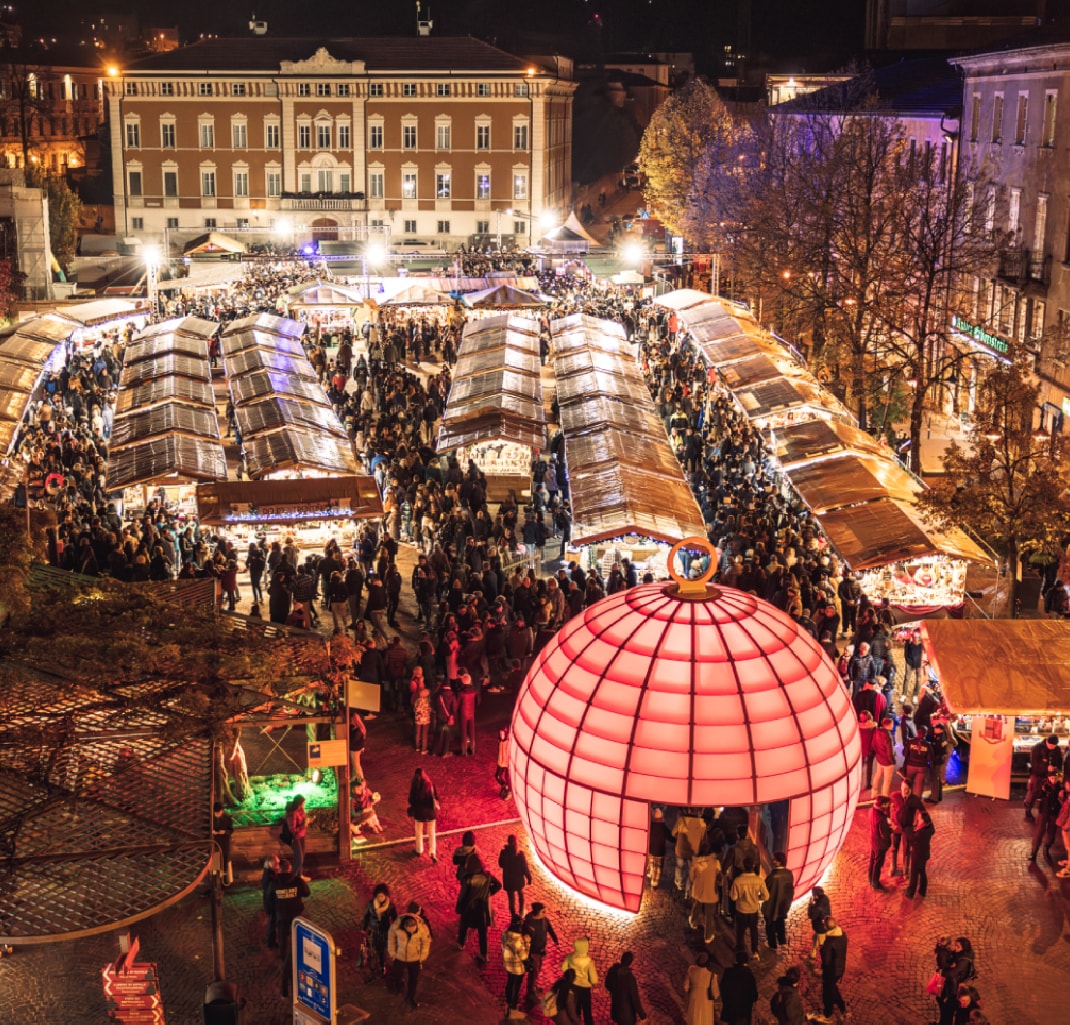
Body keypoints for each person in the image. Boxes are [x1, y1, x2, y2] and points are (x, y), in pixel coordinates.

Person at [268, 858, 310, 997]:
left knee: (283, 940)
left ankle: (283, 956)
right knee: (299, 938)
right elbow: (306, 892)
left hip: (282, 916)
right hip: (296, 915)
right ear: (290, 869)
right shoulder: (297, 881)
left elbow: (269, 897)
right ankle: (299, 957)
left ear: (279, 870)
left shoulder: (274, 883)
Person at [388, 901, 432, 1010]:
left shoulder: (422, 928)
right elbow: (391, 938)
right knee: (396, 975)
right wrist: (393, 953)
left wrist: (422, 957)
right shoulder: (397, 926)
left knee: (413, 980)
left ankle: (410, 998)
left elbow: (426, 943)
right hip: (400, 957)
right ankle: (399, 985)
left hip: (414, 959)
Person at [457, 854, 500, 963]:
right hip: (483, 908)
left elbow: (463, 894)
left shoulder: (468, 879)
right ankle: (484, 954)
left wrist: (459, 906)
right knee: (483, 932)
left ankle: (461, 943)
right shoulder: (487, 876)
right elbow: (498, 885)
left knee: (464, 925)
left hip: (470, 907)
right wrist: (488, 893)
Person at [729, 858, 769, 959]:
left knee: (740, 932)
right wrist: (758, 898)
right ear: (753, 867)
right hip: (753, 910)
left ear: (743, 866)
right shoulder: (759, 880)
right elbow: (766, 896)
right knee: (753, 931)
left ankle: (740, 949)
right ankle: (755, 951)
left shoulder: (738, 881)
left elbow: (734, 897)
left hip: (741, 910)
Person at [522, 902, 559, 1003]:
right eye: (543, 911)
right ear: (537, 912)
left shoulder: (544, 920)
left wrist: (555, 938)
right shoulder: (530, 924)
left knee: (537, 970)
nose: (545, 913)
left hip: (541, 951)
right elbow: (525, 938)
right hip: (533, 952)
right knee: (533, 972)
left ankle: (533, 988)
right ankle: (530, 993)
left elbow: (549, 929)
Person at [361, 882, 397, 982]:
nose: (380, 898)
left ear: (386, 896)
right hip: (373, 932)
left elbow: (395, 919)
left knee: (382, 952)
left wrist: (395, 931)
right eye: (378, 896)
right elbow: (366, 917)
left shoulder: (390, 906)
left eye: (382, 896)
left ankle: (382, 967)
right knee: (372, 953)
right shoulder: (371, 904)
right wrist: (363, 929)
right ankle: (372, 972)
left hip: (384, 932)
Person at [814, 916, 847, 1023]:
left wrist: (822, 950)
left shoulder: (829, 942)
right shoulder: (842, 934)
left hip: (831, 971)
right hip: (840, 968)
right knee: (832, 987)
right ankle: (843, 1009)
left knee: (827, 992)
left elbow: (826, 961)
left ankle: (828, 1014)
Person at [1025, 734, 1064, 820]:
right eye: (1050, 745)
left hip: (1051, 775)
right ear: (1047, 742)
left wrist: (1055, 768)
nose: (1052, 747)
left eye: (1054, 745)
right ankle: (1028, 810)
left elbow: (1059, 762)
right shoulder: (1037, 748)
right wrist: (1046, 767)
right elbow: (1035, 763)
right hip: (1038, 774)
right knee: (1033, 792)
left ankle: (1047, 811)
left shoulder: (1056, 750)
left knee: (1051, 793)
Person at [561, 937, 599, 1025]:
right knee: (587, 1011)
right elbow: (594, 980)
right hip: (585, 989)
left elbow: (563, 968)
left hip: (573, 986)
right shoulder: (588, 961)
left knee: (576, 1010)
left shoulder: (569, 957)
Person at [688, 846, 721, 945]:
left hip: (698, 890)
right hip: (711, 892)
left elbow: (691, 877)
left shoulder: (695, 863)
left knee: (696, 906)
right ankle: (708, 935)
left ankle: (693, 922)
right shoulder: (716, 863)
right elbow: (719, 875)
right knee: (709, 915)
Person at [938, 938, 976, 1025]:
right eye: (955, 945)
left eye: (957, 946)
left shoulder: (964, 961)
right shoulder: (961, 953)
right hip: (952, 983)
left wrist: (944, 971)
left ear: (964, 948)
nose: (954, 948)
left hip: (954, 987)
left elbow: (951, 974)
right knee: (942, 1002)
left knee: (949, 1008)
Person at [605, 950, 647, 1025]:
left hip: (616, 1010)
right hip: (627, 1015)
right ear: (630, 962)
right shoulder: (630, 978)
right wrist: (642, 1015)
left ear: (622, 959)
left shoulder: (613, 972)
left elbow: (607, 984)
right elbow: (635, 999)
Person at [1029, 769, 1063, 862]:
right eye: (1051, 777)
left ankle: (1046, 848)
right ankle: (1034, 852)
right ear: (1048, 777)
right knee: (1039, 832)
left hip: (1053, 811)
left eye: (1055, 778)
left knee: (1051, 833)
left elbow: (1061, 799)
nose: (1053, 779)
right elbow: (1036, 794)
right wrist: (1042, 792)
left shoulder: (1059, 787)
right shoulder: (1043, 785)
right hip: (1044, 811)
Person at [763, 851, 794, 950]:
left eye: (775, 860)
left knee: (770, 925)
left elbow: (765, 888)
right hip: (783, 904)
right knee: (780, 922)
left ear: (779, 862)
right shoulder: (789, 874)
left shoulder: (773, 876)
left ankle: (772, 944)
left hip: (772, 904)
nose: (773, 861)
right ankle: (782, 941)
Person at [719, 949, 759, 1025]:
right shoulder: (749, 975)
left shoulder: (728, 972)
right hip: (743, 1013)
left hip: (730, 1009)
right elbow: (754, 995)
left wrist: (726, 1000)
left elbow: (722, 988)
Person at [408, 767, 440, 863]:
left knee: (418, 831)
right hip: (430, 812)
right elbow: (437, 797)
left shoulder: (415, 786)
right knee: (431, 832)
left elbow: (411, 800)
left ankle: (419, 850)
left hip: (419, 813)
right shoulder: (430, 784)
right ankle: (432, 852)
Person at [502, 914, 532, 1014]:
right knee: (516, 985)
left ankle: (508, 1000)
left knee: (510, 981)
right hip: (517, 967)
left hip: (508, 963)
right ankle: (513, 1004)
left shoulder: (505, 934)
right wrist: (527, 943)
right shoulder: (517, 940)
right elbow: (524, 956)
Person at [499, 833, 533, 919]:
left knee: (511, 898)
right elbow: (524, 867)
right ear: (516, 842)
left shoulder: (504, 852)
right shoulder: (519, 854)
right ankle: (521, 911)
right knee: (520, 894)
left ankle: (513, 914)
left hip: (508, 880)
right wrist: (528, 877)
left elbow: (501, 864)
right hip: (518, 880)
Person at [683, 950, 718, 1025]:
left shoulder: (691, 971)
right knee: (705, 1018)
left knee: (694, 1017)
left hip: (694, 996)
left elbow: (685, 987)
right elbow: (715, 994)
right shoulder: (712, 975)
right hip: (706, 999)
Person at [906, 807, 935, 898]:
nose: (918, 819)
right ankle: (922, 890)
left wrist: (908, 830)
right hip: (925, 853)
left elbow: (911, 838)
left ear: (923, 820)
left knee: (914, 874)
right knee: (922, 871)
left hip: (918, 855)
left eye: (919, 818)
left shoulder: (920, 833)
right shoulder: (929, 826)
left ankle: (910, 892)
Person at [869, 795, 893, 890]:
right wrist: (891, 829)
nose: (889, 805)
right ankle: (875, 883)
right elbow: (884, 834)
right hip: (880, 844)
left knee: (872, 861)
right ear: (882, 804)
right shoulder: (881, 818)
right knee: (877, 863)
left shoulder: (872, 810)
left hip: (873, 840)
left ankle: (870, 878)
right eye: (887, 804)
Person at [647, 806, 673, 889]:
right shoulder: (663, 827)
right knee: (657, 870)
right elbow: (670, 838)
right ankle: (654, 884)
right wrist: (676, 840)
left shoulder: (650, 826)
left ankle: (649, 876)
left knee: (651, 865)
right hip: (659, 852)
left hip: (651, 850)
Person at [284, 794, 309, 881]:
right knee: (299, 859)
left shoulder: (301, 810)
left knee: (302, 857)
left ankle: (300, 876)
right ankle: (292, 878)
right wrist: (304, 825)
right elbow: (293, 830)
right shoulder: (292, 814)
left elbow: (303, 821)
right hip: (296, 838)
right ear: (299, 803)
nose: (304, 805)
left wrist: (308, 821)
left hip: (302, 836)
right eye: (303, 803)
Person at [872, 714, 896, 798]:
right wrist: (892, 762)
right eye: (892, 724)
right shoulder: (888, 736)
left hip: (879, 758)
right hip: (887, 761)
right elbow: (890, 752)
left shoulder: (877, 731)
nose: (893, 726)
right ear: (888, 725)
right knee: (887, 779)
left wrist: (878, 753)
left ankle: (874, 792)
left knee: (878, 774)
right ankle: (885, 797)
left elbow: (873, 745)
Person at [211, 801, 233, 887]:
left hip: (224, 842)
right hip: (214, 843)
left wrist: (224, 832)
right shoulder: (211, 818)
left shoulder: (227, 817)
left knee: (224, 860)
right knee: (215, 862)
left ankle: (224, 880)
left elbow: (231, 830)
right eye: (216, 813)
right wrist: (212, 832)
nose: (218, 814)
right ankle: (215, 882)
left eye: (219, 812)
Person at [261, 855, 279, 948]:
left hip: (269, 903)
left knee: (272, 922)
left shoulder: (268, 872)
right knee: (272, 923)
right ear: (271, 863)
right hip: (271, 904)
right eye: (277, 863)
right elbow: (270, 892)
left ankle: (271, 941)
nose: (278, 865)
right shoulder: (270, 876)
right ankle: (271, 943)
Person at [807, 886, 830, 959]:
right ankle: (813, 954)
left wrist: (810, 905)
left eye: (813, 894)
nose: (813, 895)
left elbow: (811, 916)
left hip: (820, 928)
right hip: (822, 926)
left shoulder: (818, 907)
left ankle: (825, 962)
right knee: (815, 939)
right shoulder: (825, 898)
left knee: (822, 945)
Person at [348, 710, 367, 782]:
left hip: (355, 749)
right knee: (355, 764)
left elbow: (354, 741)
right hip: (356, 748)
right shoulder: (356, 727)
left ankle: (361, 779)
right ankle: (354, 777)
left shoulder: (358, 730)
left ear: (353, 720)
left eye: (350, 719)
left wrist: (348, 744)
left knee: (356, 765)